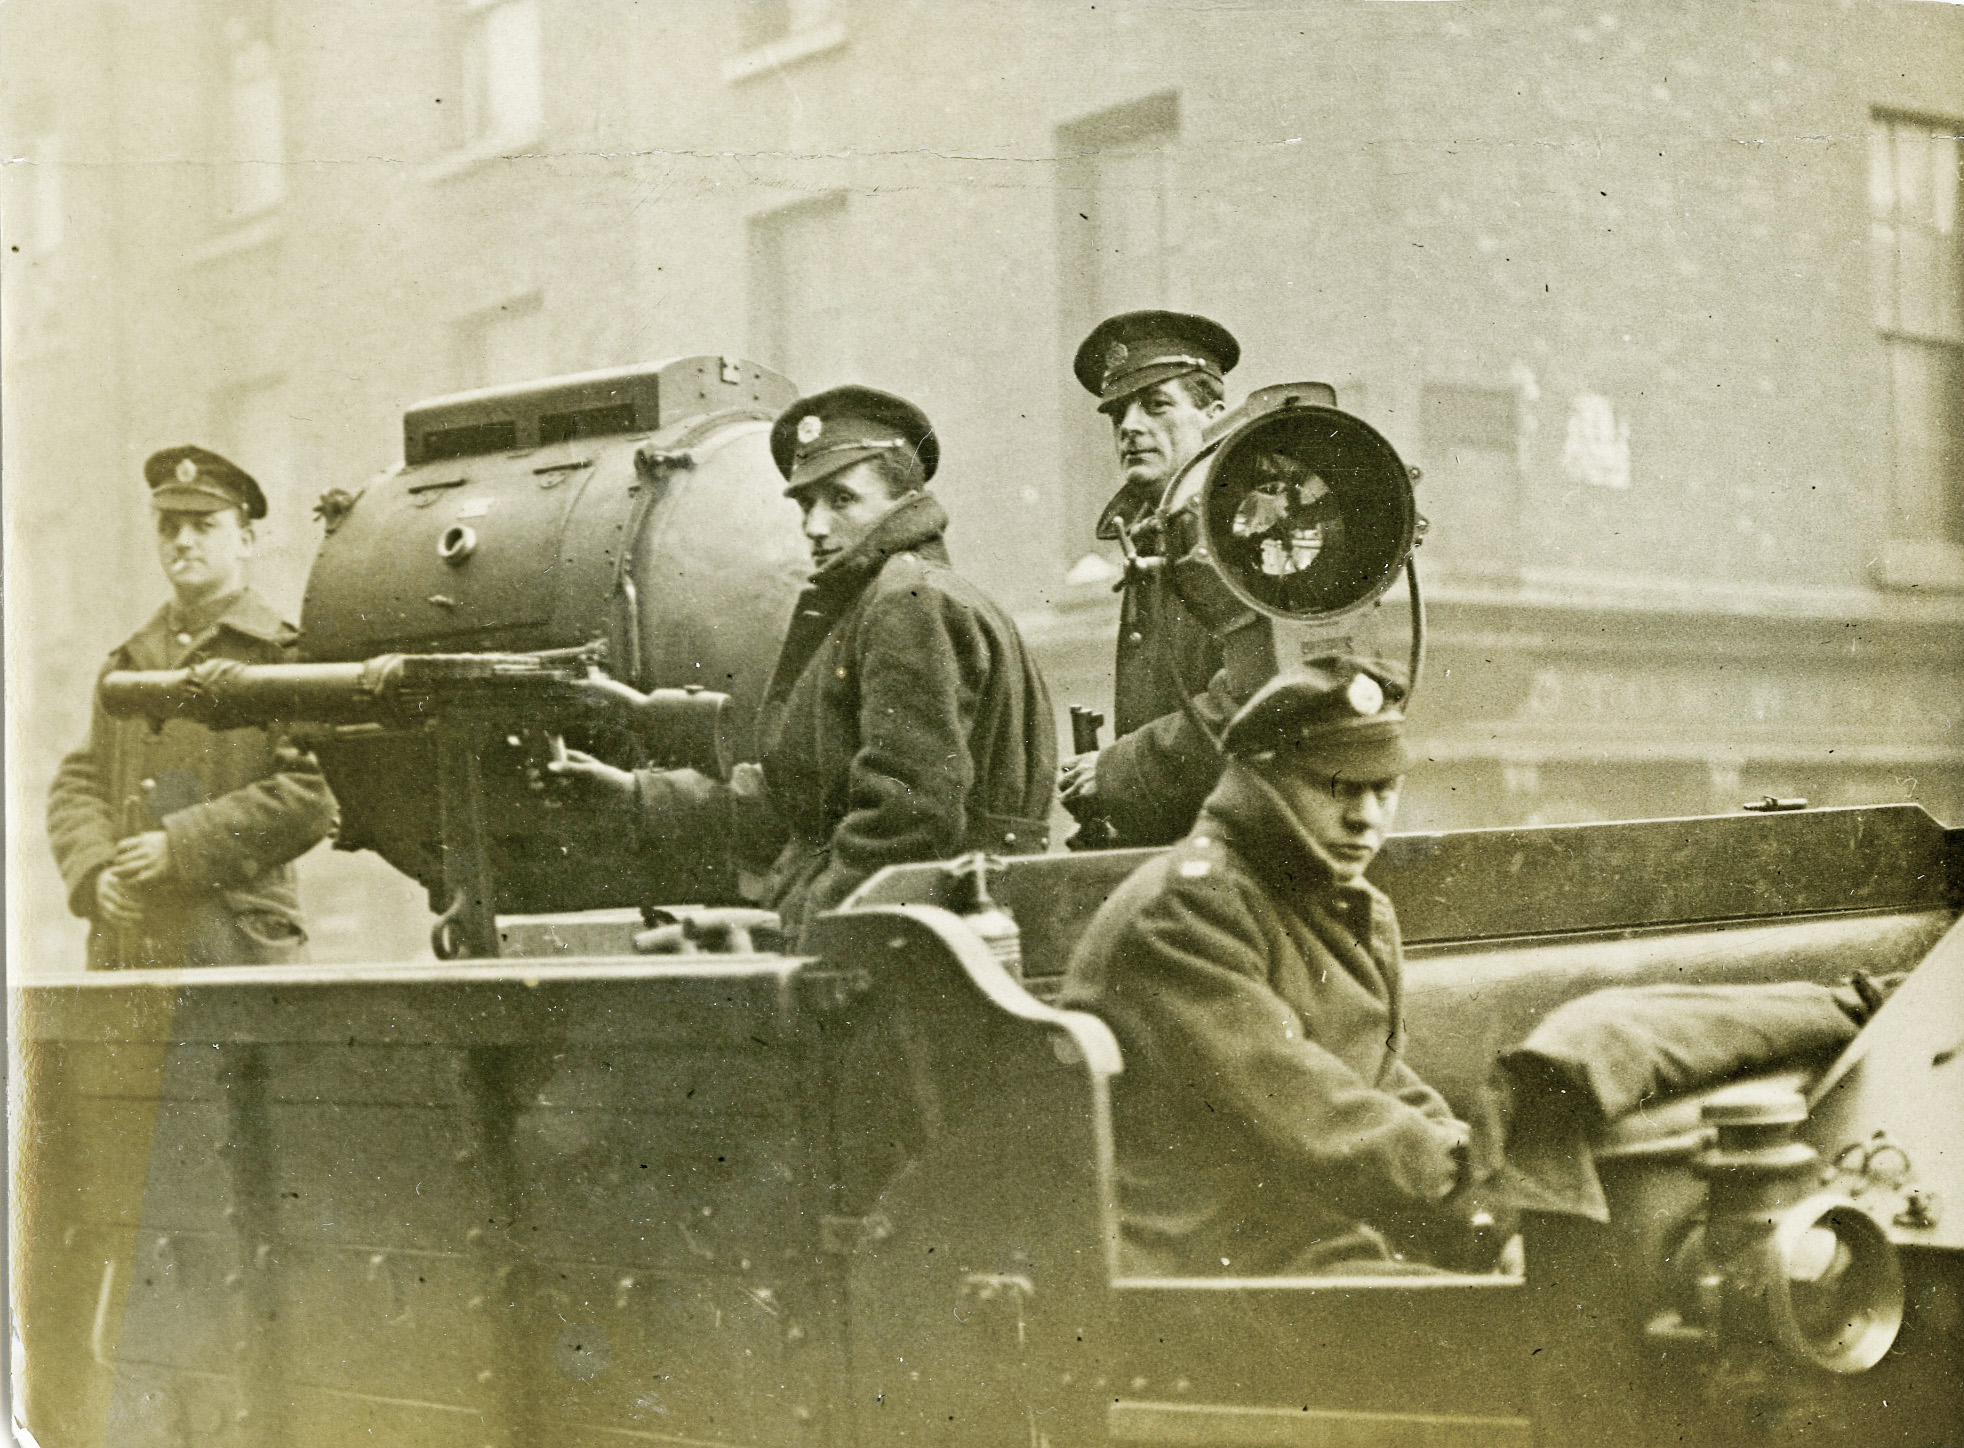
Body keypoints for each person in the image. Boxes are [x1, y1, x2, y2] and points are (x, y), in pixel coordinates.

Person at [552, 386, 1057, 949]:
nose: (815, 526)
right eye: (805, 505)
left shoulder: (907, 601)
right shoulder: (887, 599)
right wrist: (638, 794)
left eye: (841, 500)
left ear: (904, 500)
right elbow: (801, 800)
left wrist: (803, 935)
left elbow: (906, 818)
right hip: (939, 927)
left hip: (929, 941)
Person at [1060, 657, 1493, 1276]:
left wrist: (1487, 1168)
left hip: (1299, 1244)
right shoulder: (1189, 910)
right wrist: (1466, 1182)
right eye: (1337, 787)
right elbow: (1305, 1103)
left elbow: (1374, 1074)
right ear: (1264, 780)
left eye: (1384, 789)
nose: (1366, 816)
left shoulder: (1320, 898)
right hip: (1197, 1268)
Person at [47, 446, 338, 970]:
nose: (183, 541)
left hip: (235, 947)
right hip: (130, 947)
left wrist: (181, 846)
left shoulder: (282, 656)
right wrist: (96, 872)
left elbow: (315, 791)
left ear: (245, 540)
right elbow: (79, 780)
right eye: (169, 527)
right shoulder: (128, 662)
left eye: (204, 526)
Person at [1060, 310, 1273, 848]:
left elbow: (1261, 693)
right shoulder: (1154, 532)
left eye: (1156, 405)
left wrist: (1120, 768)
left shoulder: (1248, 531)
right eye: (1118, 414)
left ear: (1215, 419)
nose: (1130, 427)